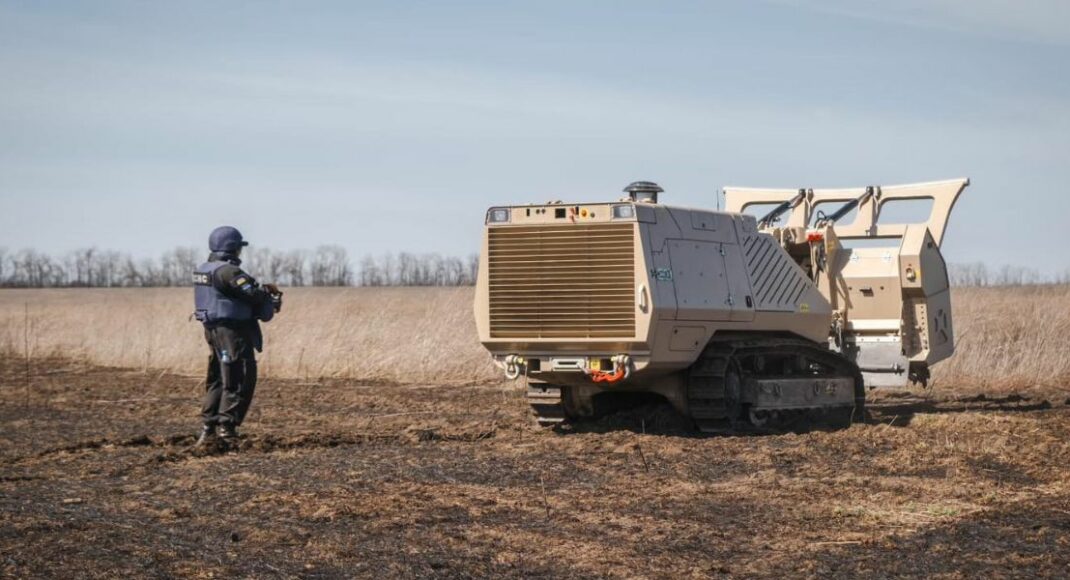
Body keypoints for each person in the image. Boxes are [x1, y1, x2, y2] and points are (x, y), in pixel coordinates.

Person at [192, 226, 282, 446]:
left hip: (212, 329)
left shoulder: (204, 269)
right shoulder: (229, 272)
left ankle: (209, 427)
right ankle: (227, 429)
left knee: (218, 378)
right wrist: (269, 296)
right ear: (233, 249)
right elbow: (253, 293)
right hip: (233, 331)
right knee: (239, 376)